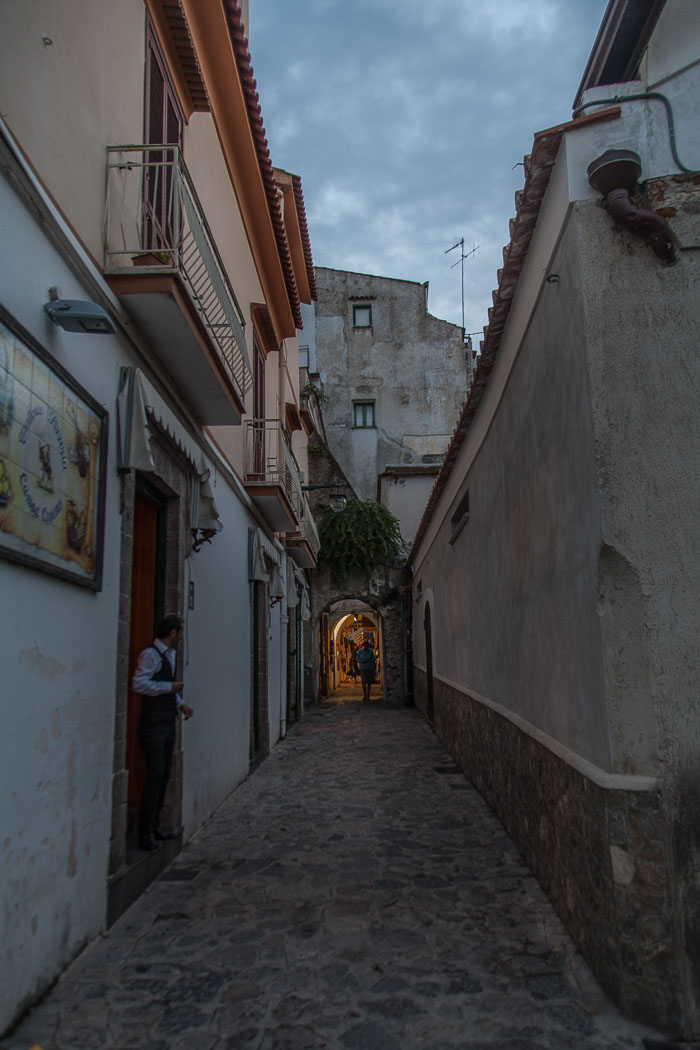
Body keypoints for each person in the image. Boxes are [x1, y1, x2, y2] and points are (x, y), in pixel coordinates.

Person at [132, 614, 193, 851]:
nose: (182, 636)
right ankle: (144, 832)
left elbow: (167, 689)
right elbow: (139, 683)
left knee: (164, 774)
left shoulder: (170, 655)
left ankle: (155, 825)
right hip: (152, 725)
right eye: (181, 632)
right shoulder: (150, 655)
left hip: (167, 721)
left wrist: (180, 703)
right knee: (155, 774)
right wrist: (169, 687)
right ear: (173, 633)